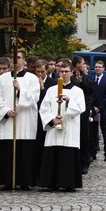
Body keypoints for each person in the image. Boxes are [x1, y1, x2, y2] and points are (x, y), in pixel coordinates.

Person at [0, 50, 40, 190]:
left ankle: (25, 181)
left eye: (18, 57)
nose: (15, 60)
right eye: (13, 57)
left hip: (25, 120)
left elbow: (34, 98)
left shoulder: (32, 78)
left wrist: (20, 90)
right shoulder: (3, 78)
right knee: (8, 152)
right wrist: (6, 111)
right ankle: (7, 180)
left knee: (25, 152)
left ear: (24, 60)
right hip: (9, 120)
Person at [38, 60, 85, 191]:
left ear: (71, 73)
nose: (63, 74)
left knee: (68, 154)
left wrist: (69, 101)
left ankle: (68, 183)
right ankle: (51, 182)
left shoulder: (77, 91)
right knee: (53, 154)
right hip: (54, 128)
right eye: (61, 72)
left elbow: (81, 108)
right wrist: (52, 120)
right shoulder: (51, 90)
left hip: (69, 128)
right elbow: (44, 108)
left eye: (66, 71)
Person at [72, 56, 95, 174]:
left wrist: (82, 82)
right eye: (81, 63)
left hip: (84, 111)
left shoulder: (85, 77)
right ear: (77, 64)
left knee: (84, 136)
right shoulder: (71, 76)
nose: (83, 65)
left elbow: (91, 90)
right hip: (71, 110)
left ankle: (85, 161)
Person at [34, 59, 56, 178]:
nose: (40, 74)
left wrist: (42, 88)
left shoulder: (52, 83)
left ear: (46, 70)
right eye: (38, 71)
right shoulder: (32, 81)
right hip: (34, 116)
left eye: (42, 71)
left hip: (46, 118)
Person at [91, 60, 106, 161]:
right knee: (93, 132)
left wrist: (99, 107)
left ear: (103, 68)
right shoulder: (91, 80)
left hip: (103, 110)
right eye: (96, 67)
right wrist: (92, 107)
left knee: (105, 131)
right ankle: (93, 152)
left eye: (99, 67)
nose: (97, 68)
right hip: (93, 109)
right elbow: (90, 95)